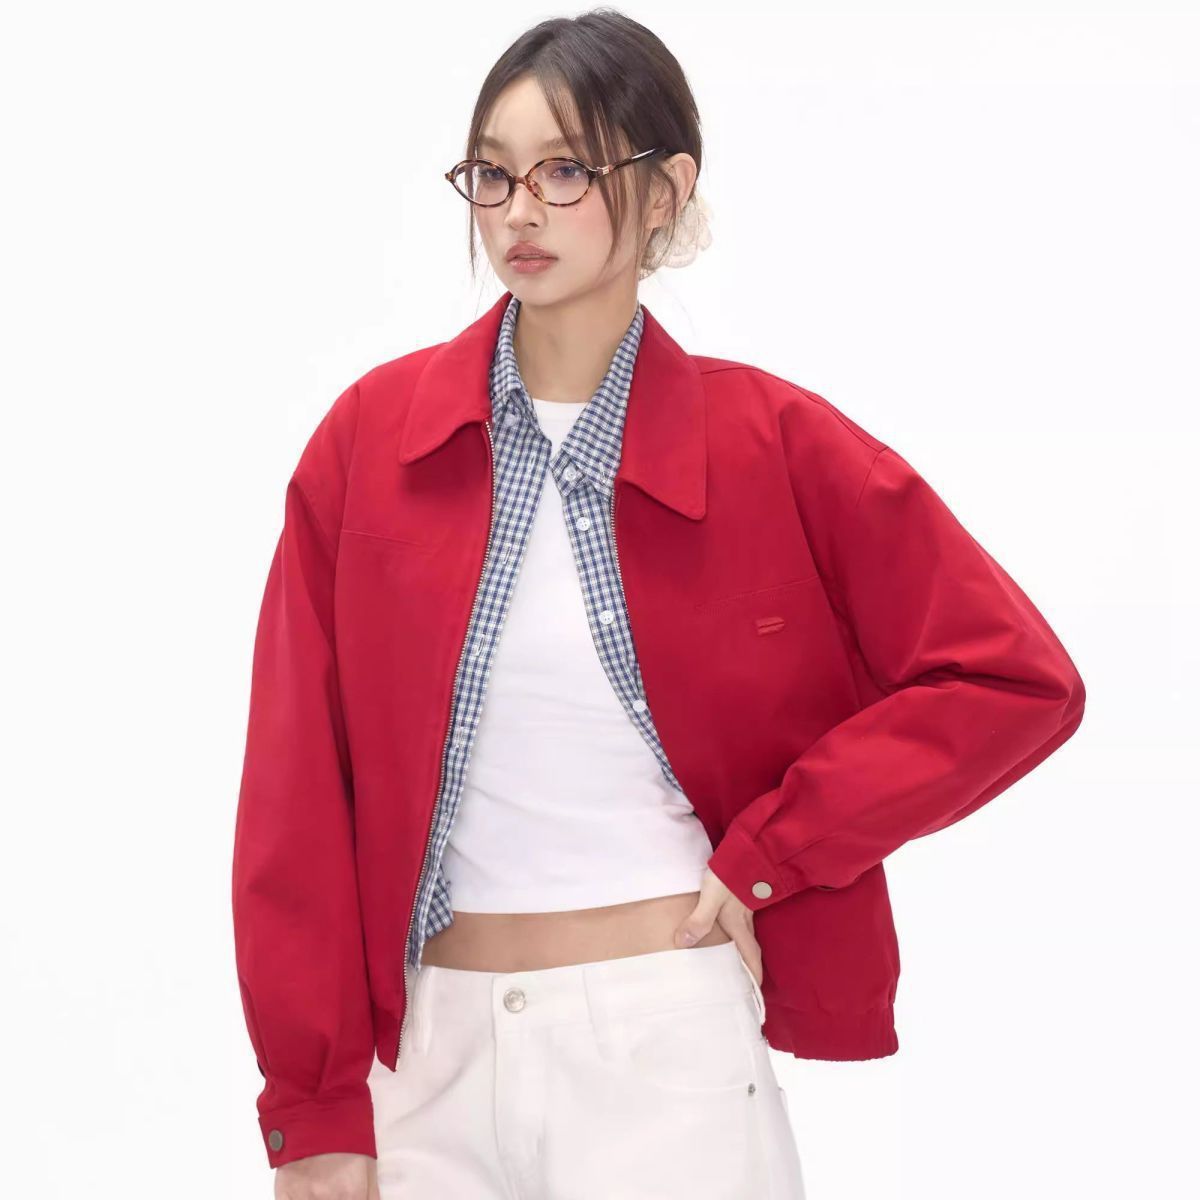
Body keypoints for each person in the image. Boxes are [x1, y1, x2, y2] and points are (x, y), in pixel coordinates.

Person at [231, 10, 1086, 1200]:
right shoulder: (372, 441)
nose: (518, 211)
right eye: (492, 173)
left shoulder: (775, 443)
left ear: (667, 189)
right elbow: (294, 794)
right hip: (422, 1066)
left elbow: (1013, 679)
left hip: (664, 1055)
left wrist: (779, 849)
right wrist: (314, 1106)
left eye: (565, 171)